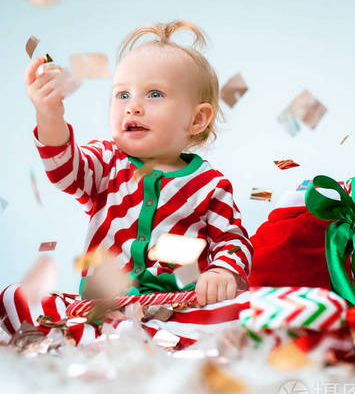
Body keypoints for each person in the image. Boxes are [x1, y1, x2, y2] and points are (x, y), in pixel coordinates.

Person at [25, 20, 253, 306]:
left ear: (196, 119)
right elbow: (64, 171)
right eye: (122, 95)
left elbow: (233, 240)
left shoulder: (210, 185)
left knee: (237, 310)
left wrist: (222, 271)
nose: (133, 106)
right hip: (104, 306)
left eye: (154, 94)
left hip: (177, 303)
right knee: (21, 299)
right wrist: (49, 116)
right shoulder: (107, 163)